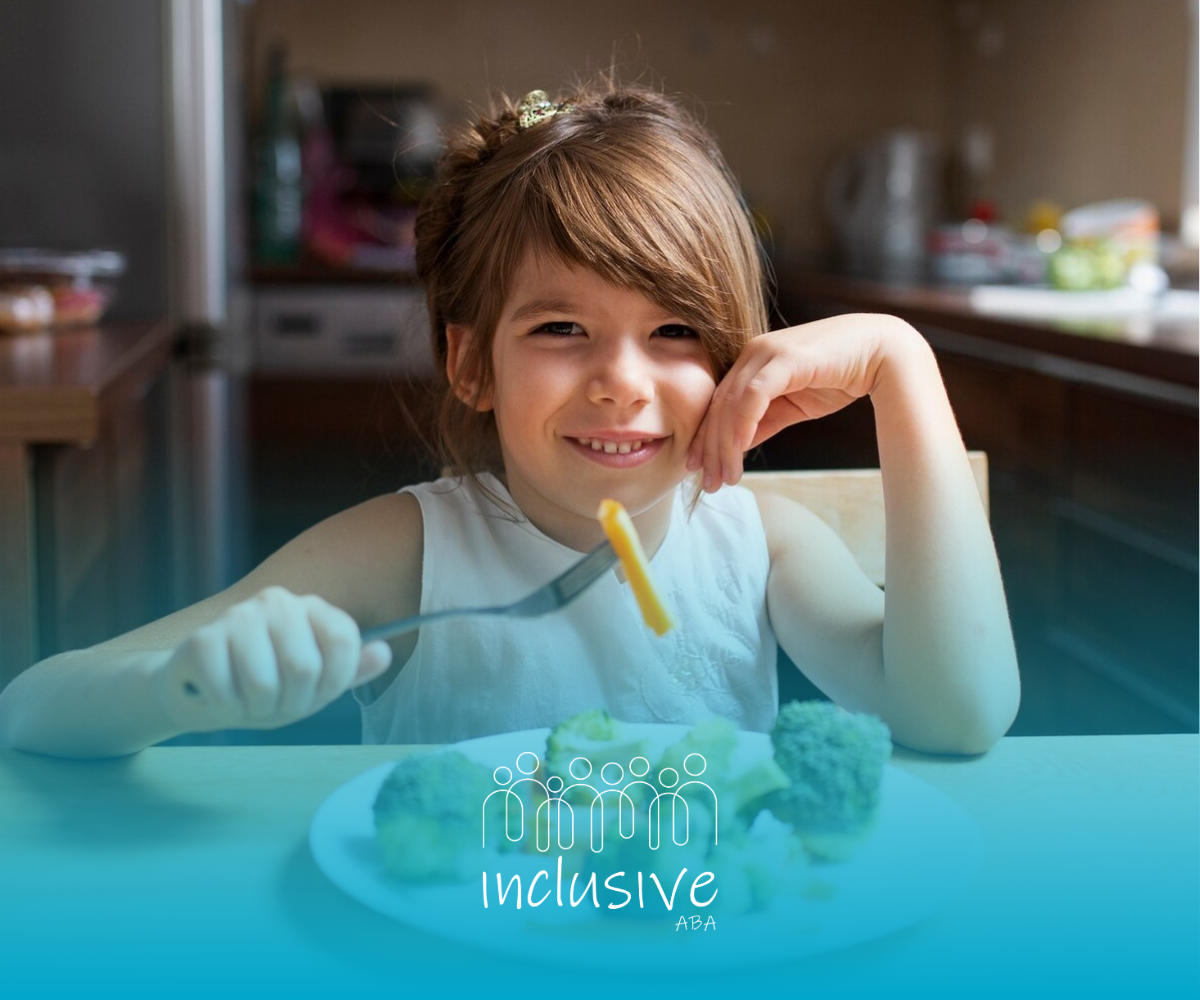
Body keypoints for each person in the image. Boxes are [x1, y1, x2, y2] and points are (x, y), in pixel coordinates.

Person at [0, 80, 1019, 759]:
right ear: (470, 362)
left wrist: (902, 363)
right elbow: (35, 704)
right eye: (564, 327)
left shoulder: (762, 545)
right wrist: (185, 686)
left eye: (673, 332)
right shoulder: (406, 552)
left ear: (732, 360)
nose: (622, 382)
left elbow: (960, 715)